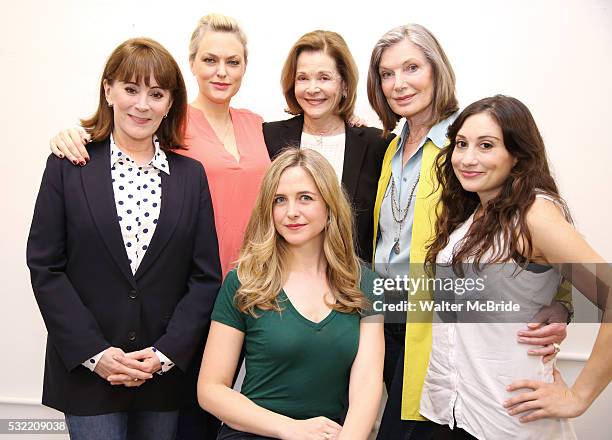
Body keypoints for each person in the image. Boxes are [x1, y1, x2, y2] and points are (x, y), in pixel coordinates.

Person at [366, 24, 572, 438]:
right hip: (381, 322)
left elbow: (536, 234)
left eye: (411, 67)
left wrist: (562, 305)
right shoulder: (390, 148)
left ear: (436, 71)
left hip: (433, 327)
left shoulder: (467, 146)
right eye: (387, 74)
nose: (398, 83)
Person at [26, 37, 222, 440]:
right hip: (88, 373)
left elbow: (204, 278)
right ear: (109, 89)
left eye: (156, 93)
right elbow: (46, 267)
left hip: (160, 375)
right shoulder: (68, 166)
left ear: (170, 103)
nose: (142, 104)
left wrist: (166, 354)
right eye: (131, 89)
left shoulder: (191, 177)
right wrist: (95, 355)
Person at [421, 94, 611, 438]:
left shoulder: (534, 214)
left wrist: (579, 396)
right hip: (453, 410)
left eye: (486, 145)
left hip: (508, 420)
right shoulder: (471, 211)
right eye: (461, 144)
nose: (467, 158)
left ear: (517, 156)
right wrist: (560, 304)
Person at [49, 13, 271, 278]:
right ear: (192, 63)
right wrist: (71, 137)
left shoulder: (258, 125)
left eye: (233, 62)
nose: (221, 71)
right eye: (210, 60)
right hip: (197, 278)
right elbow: (124, 138)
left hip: (259, 277)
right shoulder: (167, 124)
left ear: (245, 66)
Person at [197, 148, 385, 440]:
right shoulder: (244, 281)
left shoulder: (365, 285)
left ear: (329, 206)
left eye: (305, 198)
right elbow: (210, 389)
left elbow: (367, 387)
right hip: (253, 433)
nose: (291, 212)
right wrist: (291, 429)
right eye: (279, 200)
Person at [263, 30, 393, 261]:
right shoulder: (268, 138)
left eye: (324, 78)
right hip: (283, 281)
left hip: (355, 284)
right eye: (303, 78)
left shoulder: (378, 146)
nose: (312, 88)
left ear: (344, 85)